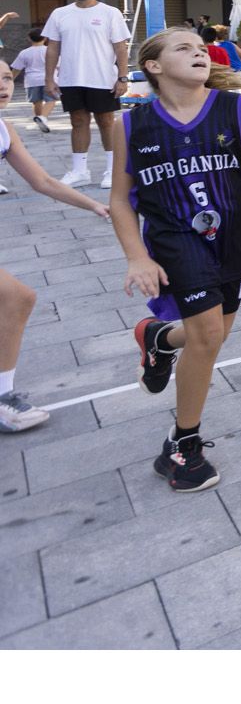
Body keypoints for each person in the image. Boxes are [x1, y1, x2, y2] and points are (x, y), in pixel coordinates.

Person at [113, 28, 241, 491]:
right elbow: (122, 200)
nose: (199, 52)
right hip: (175, 239)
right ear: (155, 67)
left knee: (214, 334)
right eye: (184, 48)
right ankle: (182, 444)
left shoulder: (236, 108)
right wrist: (136, 256)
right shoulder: (133, 124)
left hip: (236, 238)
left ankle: (160, 339)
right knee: (206, 335)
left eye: (201, 48)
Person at [0, 55, 111, 431]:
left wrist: (94, 204)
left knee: (17, 298)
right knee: (16, 297)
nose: (3, 85)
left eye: (6, 78)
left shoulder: (4, 129)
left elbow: (43, 182)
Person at [42, 0, 130, 189]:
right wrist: (49, 78)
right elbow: (53, 48)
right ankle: (80, 172)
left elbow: (120, 47)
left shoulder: (110, 13)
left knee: (107, 123)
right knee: (78, 122)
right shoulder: (60, 14)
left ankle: (112, 171)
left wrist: (123, 77)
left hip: (102, 78)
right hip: (71, 78)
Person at [11, 27, 52, 134]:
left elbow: (16, 69)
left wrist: (10, 80)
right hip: (49, 80)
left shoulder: (24, 53)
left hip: (31, 81)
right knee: (51, 100)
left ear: (29, 39)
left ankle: (39, 119)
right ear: (45, 38)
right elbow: (58, 66)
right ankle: (43, 118)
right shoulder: (50, 50)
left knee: (36, 102)